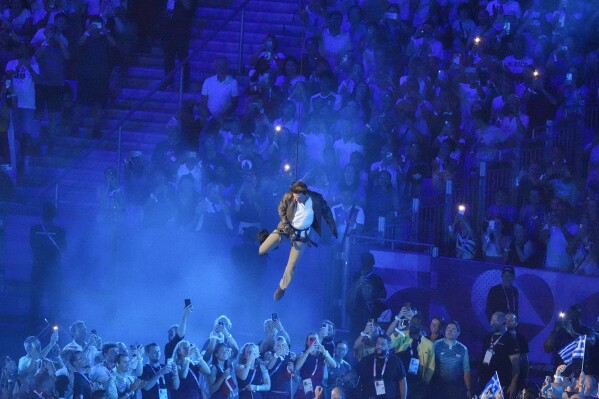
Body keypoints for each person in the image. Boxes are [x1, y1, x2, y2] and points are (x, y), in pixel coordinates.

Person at [258, 180, 337, 300]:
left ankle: (281, 288)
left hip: (301, 235)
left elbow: (327, 212)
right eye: (294, 196)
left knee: (292, 264)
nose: (295, 199)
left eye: (298, 196)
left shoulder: (315, 200)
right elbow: (281, 209)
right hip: (285, 228)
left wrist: (332, 226)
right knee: (262, 250)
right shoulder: (289, 196)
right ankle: (268, 240)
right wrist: (286, 225)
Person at [29, 202, 66, 326]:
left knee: (36, 298)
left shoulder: (35, 230)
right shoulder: (60, 231)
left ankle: (32, 325)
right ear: (54, 215)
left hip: (39, 268)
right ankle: (53, 326)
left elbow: (33, 247)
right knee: (53, 299)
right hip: (53, 269)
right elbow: (62, 249)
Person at [479, 312, 520, 398]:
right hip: (486, 380)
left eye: (495, 320)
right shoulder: (488, 337)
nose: (492, 323)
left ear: (504, 322)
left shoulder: (510, 338)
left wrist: (513, 383)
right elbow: (485, 359)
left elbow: (516, 364)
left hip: (502, 381)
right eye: (491, 320)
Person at [356, 334, 407, 399]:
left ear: (388, 346)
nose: (379, 346)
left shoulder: (396, 361)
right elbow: (356, 375)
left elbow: (402, 381)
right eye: (377, 343)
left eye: (382, 344)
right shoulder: (366, 360)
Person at [432, 321, 472, 399]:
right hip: (437, 386)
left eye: (453, 329)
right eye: (448, 328)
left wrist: (468, 389)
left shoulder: (463, 349)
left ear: (458, 333)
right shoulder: (436, 344)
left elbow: (466, 370)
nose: (450, 330)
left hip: (455, 387)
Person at [506, 313, 529, 392]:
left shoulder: (521, 338)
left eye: (511, 320)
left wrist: (525, 377)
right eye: (506, 319)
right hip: (500, 375)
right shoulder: (493, 337)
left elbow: (525, 360)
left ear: (516, 323)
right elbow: (487, 356)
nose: (507, 322)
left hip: (516, 376)